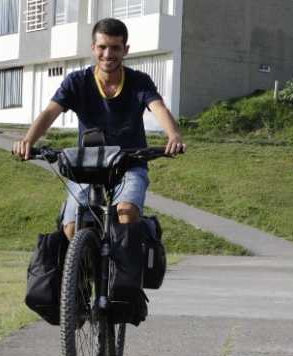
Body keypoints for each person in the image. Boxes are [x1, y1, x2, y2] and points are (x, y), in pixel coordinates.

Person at [12, 18, 186, 239]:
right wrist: (28, 140)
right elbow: (49, 112)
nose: (108, 54)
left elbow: (158, 107)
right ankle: (82, 268)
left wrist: (174, 135)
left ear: (126, 50)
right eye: (102, 47)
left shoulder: (139, 81)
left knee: (126, 212)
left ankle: (129, 266)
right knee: (71, 229)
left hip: (130, 162)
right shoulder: (77, 81)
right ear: (93, 48)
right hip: (88, 164)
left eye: (115, 48)